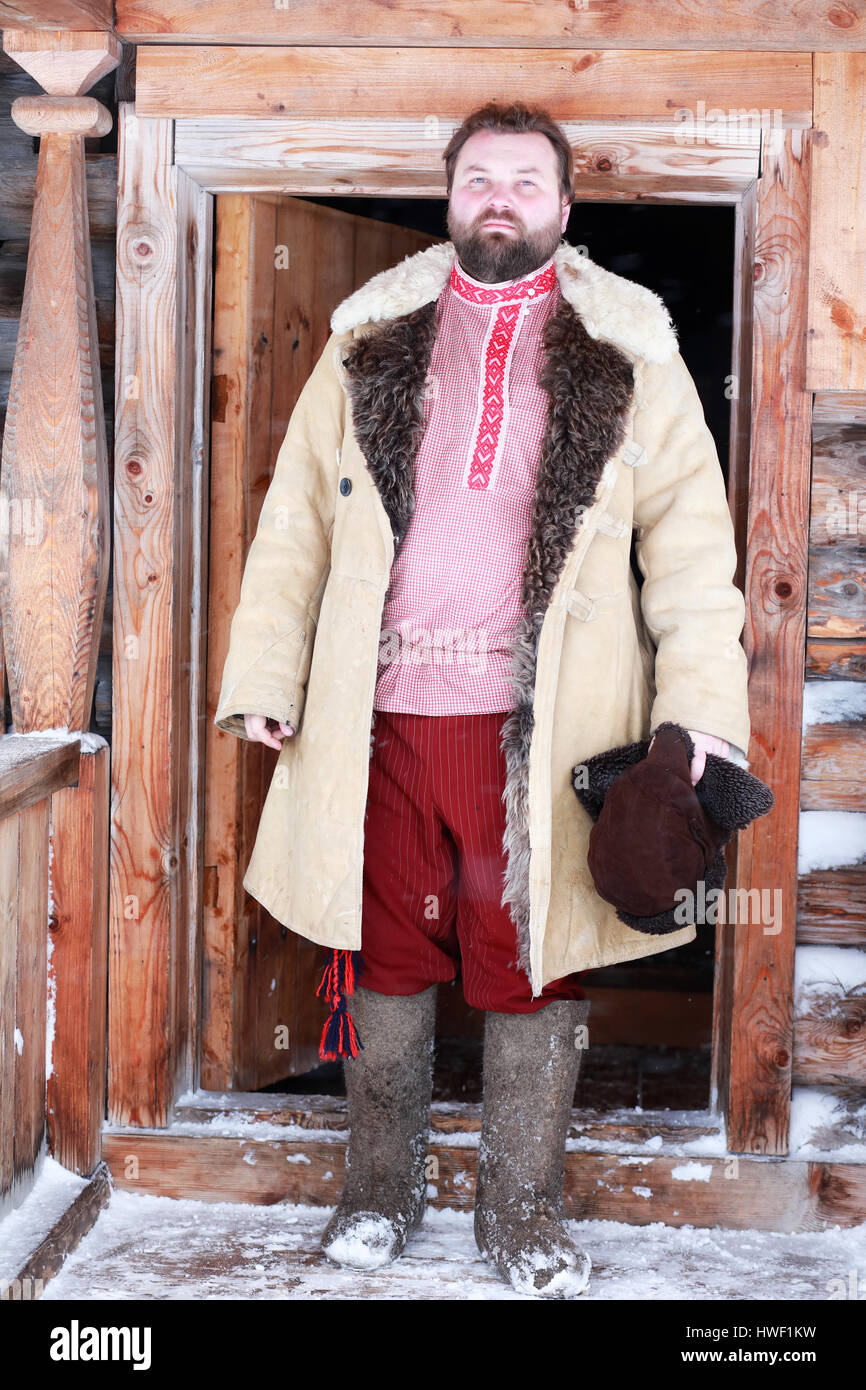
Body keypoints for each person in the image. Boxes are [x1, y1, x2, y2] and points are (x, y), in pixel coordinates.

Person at [214, 101, 751, 1298]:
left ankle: (520, 1210)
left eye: (521, 181)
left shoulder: (627, 345)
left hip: (545, 726)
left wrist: (696, 717)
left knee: (528, 961)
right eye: (476, 179)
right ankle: (379, 1190)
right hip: (379, 713)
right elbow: (294, 522)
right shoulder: (369, 334)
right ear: (449, 196)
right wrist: (264, 675)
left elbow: (689, 552)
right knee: (385, 954)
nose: (497, 199)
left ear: (563, 206)